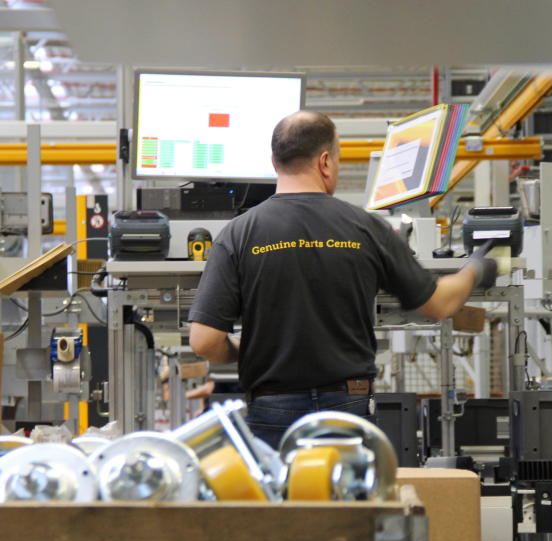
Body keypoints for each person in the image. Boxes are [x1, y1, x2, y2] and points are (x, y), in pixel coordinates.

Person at [188, 110, 497, 449]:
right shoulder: (365, 227)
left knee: (281, 485)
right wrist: (476, 269)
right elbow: (439, 304)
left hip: (271, 406)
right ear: (325, 162)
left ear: (275, 163)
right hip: (348, 405)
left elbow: (204, 342)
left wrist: (248, 348)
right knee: (347, 486)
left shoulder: (238, 234)